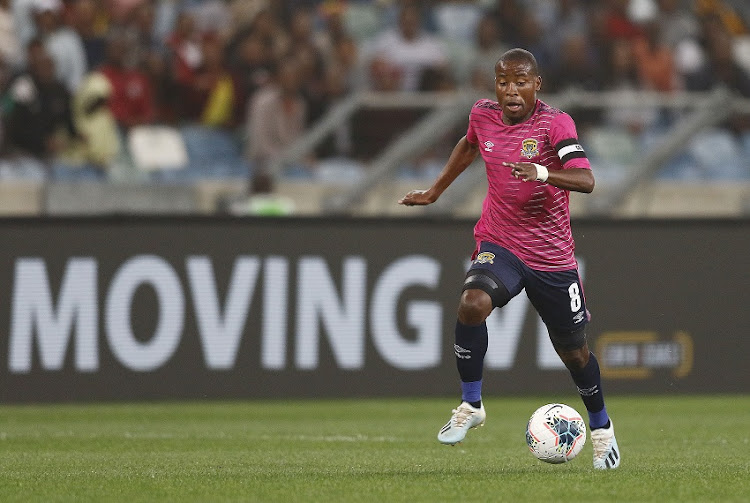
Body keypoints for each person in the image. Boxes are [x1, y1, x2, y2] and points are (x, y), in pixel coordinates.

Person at [398, 48, 621, 470]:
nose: (511, 91)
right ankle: (471, 405)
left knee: (574, 354)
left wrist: (542, 172)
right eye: (503, 82)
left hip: (552, 258)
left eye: (521, 82)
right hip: (500, 243)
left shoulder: (556, 123)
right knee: (471, 305)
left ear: (537, 84)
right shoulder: (482, 115)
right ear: (494, 85)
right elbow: (469, 147)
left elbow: (587, 180)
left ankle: (602, 430)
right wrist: (434, 191)